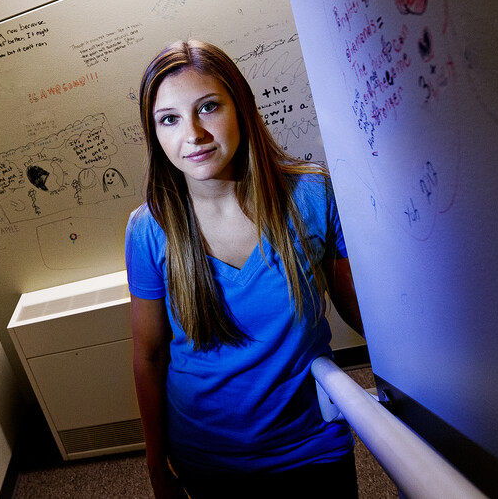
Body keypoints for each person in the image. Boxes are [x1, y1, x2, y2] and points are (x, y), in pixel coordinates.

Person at [125, 40, 365, 498]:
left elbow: (363, 316)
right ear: (154, 133)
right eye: (169, 119)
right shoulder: (148, 230)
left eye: (208, 107)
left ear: (242, 105)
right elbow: (150, 356)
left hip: (311, 448)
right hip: (207, 459)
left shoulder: (311, 197)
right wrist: (156, 465)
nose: (192, 134)